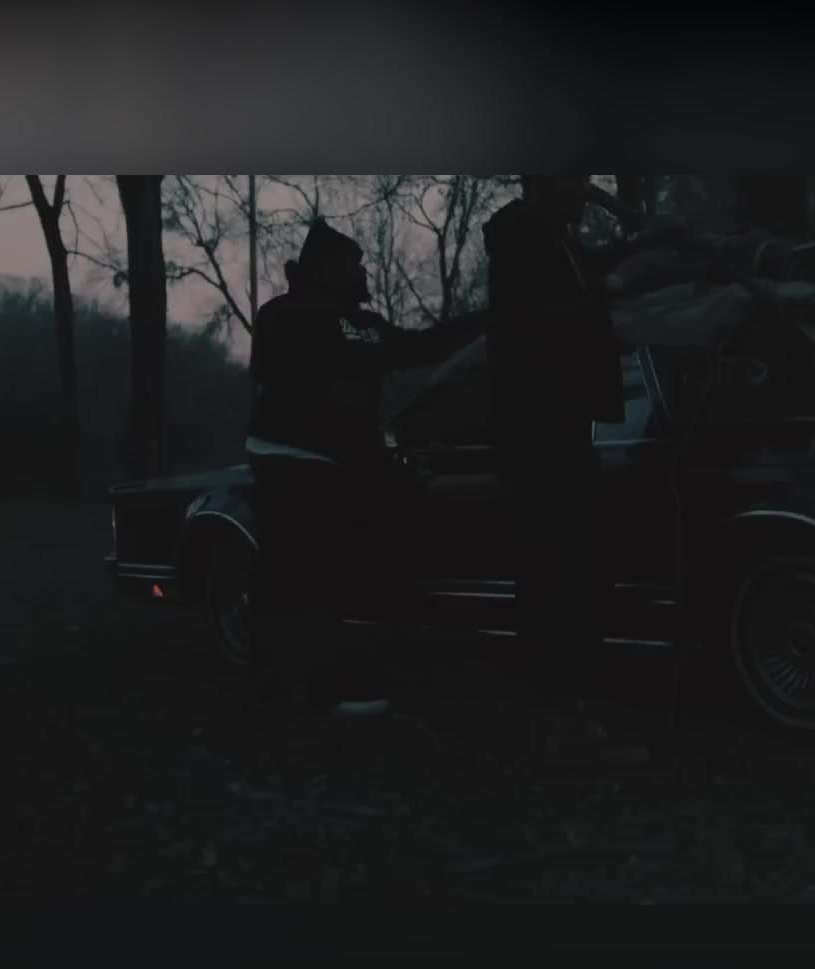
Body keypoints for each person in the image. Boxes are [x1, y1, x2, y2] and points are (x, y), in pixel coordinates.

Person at [246, 219, 482, 721]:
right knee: (299, 577)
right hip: (288, 459)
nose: (364, 273)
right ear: (327, 269)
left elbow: (419, 347)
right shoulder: (282, 314)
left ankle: (337, 675)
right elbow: (270, 368)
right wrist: (327, 387)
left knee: (345, 566)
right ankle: (306, 691)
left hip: (344, 463)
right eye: (355, 266)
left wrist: (484, 321)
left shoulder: (368, 325)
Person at [483, 175, 650, 766]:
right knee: (558, 573)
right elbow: (540, 322)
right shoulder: (520, 241)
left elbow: (585, 278)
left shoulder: (554, 241)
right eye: (574, 182)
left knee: (567, 571)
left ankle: (553, 715)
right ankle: (558, 724)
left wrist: (638, 251)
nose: (586, 193)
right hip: (539, 431)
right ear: (542, 182)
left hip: (559, 427)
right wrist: (604, 293)